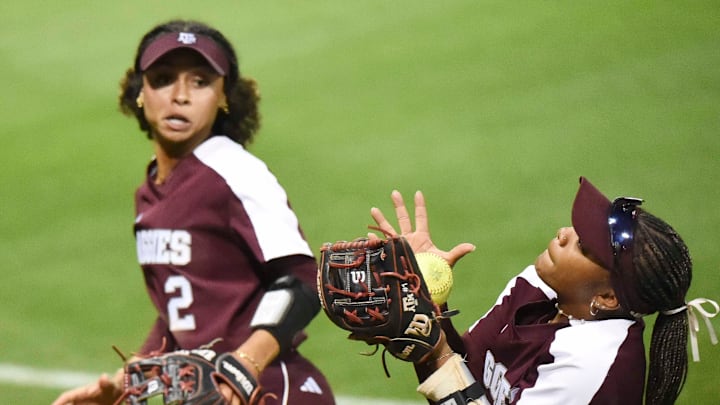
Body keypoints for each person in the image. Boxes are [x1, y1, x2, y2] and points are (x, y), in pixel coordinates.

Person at [52, 19, 335, 405]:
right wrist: (128, 381)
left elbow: (303, 280)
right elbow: (180, 316)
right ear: (140, 92)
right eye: (163, 79)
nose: (180, 95)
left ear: (224, 98)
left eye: (200, 81)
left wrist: (246, 364)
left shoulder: (234, 171)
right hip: (206, 393)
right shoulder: (151, 190)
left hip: (271, 391)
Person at [367, 177, 718, 405]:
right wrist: (427, 298)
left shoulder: (593, 366)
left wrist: (428, 338)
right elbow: (467, 365)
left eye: (582, 247)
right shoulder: (539, 287)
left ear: (607, 298)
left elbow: (449, 370)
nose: (564, 232)